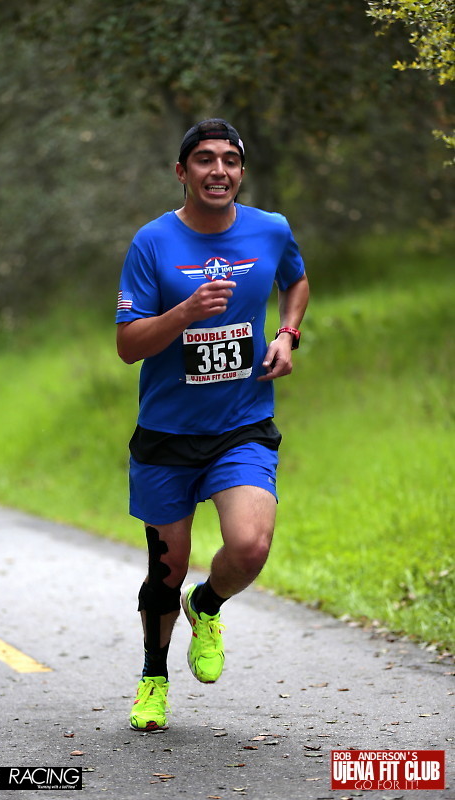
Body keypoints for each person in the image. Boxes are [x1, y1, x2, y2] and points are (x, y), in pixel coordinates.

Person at [116, 118, 309, 731]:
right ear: (182, 172)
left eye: (230, 159)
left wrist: (287, 334)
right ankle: (153, 676)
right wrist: (185, 312)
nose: (218, 170)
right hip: (167, 435)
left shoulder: (270, 229)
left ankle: (207, 603)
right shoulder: (152, 242)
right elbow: (127, 345)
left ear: (241, 171)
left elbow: (296, 280)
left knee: (251, 545)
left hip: (241, 424)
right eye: (204, 159)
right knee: (166, 569)